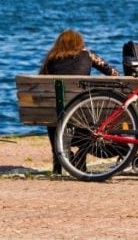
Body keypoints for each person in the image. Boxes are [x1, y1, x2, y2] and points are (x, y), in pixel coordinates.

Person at [40, 29, 120, 175]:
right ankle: (81, 157)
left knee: (55, 114)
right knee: (86, 113)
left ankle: (58, 160)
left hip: (56, 115)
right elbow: (113, 74)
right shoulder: (87, 55)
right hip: (82, 113)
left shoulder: (50, 59)